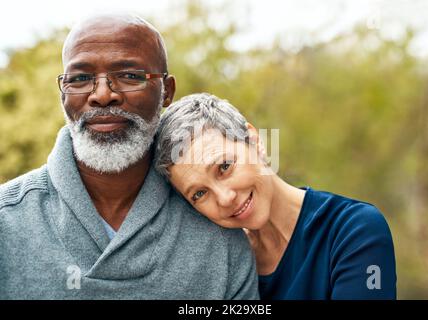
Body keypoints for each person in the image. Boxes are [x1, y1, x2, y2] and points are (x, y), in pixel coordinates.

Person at [0, 15, 259, 299]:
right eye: (81, 78)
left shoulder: (219, 229)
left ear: (166, 92)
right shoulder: (7, 221)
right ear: (63, 94)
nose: (102, 95)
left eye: (128, 76)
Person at [154, 93, 397, 300]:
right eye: (199, 193)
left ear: (253, 139)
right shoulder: (220, 262)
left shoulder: (354, 229)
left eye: (225, 167)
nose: (225, 198)